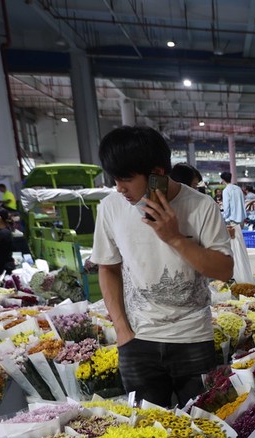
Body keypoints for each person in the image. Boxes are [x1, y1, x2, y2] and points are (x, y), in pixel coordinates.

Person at [92, 126, 234, 407]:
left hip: (193, 338)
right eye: (115, 179)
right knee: (146, 432)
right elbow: (108, 268)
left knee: (204, 426)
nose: (119, 188)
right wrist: (122, 331)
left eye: (126, 179)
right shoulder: (111, 207)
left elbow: (225, 271)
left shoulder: (201, 206)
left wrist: (175, 238)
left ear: (157, 172)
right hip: (137, 341)